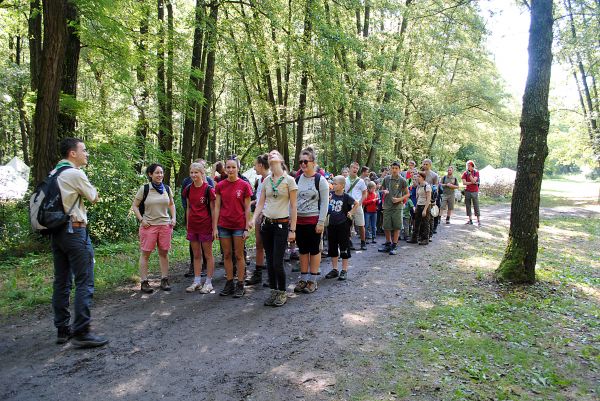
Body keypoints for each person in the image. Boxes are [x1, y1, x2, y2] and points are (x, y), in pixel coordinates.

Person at [50, 137, 108, 348]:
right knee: (84, 281)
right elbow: (93, 196)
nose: (87, 154)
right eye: (84, 150)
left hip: (57, 233)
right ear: (72, 153)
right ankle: (82, 331)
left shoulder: (53, 173)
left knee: (62, 281)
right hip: (75, 231)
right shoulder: (74, 173)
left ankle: (62, 329)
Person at [252, 150, 298, 306]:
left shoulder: (289, 180)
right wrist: (253, 219)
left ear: (280, 159)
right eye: (269, 154)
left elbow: (293, 206)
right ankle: (273, 291)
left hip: (281, 225)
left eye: (274, 153)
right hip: (267, 225)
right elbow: (260, 203)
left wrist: (292, 230)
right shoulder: (266, 181)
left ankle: (282, 292)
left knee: (278, 261)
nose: (271, 155)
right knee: (270, 260)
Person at [132, 163, 176, 293]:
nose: (160, 175)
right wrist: (141, 219)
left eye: (161, 172)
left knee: (164, 252)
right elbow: (135, 205)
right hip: (149, 226)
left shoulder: (167, 188)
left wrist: (173, 218)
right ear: (150, 174)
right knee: (146, 254)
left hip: (165, 225)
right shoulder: (145, 189)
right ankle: (144, 282)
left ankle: (164, 279)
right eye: (157, 173)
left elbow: (171, 204)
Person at [214, 156, 253, 297]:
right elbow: (217, 207)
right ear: (225, 168)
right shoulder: (220, 185)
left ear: (238, 168)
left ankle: (240, 283)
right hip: (223, 225)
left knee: (239, 255)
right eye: (228, 167)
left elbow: (247, 208)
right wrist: (214, 228)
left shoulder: (244, 185)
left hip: (239, 225)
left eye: (233, 167)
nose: (230, 170)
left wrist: (246, 228)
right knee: (227, 255)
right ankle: (229, 282)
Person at [294, 147, 329, 294]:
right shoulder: (297, 179)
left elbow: (324, 203)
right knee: (302, 250)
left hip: (314, 221)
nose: (303, 164)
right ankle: (303, 278)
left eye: (305, 161)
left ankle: (312, 281)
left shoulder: (320, 180)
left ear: (313, 163)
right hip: (299, 221)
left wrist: (321, 222)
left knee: (314, 250)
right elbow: (293, 202)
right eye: (301, 161)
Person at [183, 162, 216, 294]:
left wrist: (214, 228)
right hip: (193, 226)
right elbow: (189, 208)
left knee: (208, 254)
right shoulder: (188, 189)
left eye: (196, 172)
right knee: (196, 255)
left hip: (206, 225)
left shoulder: (208, 189)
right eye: (192, 172)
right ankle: (197, 281)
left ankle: (208, 282)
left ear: (202, 173)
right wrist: (187, 224)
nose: (193, 175)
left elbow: (213, 210)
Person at [324, 176, 359, 280]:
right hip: (331, 225)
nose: (333, 185)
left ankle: (344, 270)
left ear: (342, 185)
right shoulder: (331, 195)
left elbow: (356, 203)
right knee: (333, 246)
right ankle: (335, 269)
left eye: (335, 184)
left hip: (343, 225)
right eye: (333, 183)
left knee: (344, 247)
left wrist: (351, 212)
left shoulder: (346, 197)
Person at [246, 154, 270, 286]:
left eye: (255, 165)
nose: (254, 168)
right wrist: (252, 202)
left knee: (270, 247)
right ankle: (258, 274)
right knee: (259, 244)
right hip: (259, 216)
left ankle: (272, 276)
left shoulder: (273, 178)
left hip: (269, 217)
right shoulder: (260, 180)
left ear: (261, 165)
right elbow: (261, 197)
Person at [378, 161, 409, 255]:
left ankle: (394, 245)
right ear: (390, 169)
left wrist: (399, 199)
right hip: (387, 206)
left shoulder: (402, 180)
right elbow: (381, 189)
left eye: (396, 168)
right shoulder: (386, 178)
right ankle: (388, 244)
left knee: (397, 226)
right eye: (393, 168)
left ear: (399, 169)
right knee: (386, 226)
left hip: (397, 207)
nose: (394, 170)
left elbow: (407, 194)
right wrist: (384, 191)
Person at [345, 161, 368, 250]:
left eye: (356, 168)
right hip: (347, 205)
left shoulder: (361, 181)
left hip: (357, 205)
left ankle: (363, 242)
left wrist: (360, 203)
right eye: (353, 168)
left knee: (361, 224)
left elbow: (365, 193)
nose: (355, 170)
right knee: (348, 224)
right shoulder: (345, 180)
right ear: (350, 169)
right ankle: (349, 242)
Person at [407, 171, 431, 245]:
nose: (417, 178)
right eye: (417, 176)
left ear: (423, 178)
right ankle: (414, 238)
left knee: (425, 223)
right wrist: (416, 207)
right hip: (419, 205)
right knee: (416, 222)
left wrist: (425, 210)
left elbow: (428, 199)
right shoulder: (419, 186)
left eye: (419, 176)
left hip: (425, 206)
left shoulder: (427, 186)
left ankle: (425, 239)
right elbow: (418, 197)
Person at [421, 159, 439, 235]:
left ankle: (430, 234)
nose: (425, 165)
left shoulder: (434, 175)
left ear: (430, 165)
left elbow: (436, 187)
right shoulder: (421, 174)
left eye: (426, 164)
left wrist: (433, 199)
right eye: (424, 164)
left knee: (430, 216)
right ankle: (422, 233)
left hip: (431, 197)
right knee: (422, 215)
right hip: (422, 197)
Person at [462, 160, 481, 226]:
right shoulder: (465, 173)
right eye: (467, 165)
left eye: (469, 166)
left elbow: (474, 180)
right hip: (467, 191)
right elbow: (464, 183)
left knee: (476, 206)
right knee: (468, 206)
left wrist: (470, 175)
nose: (468, 167)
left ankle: (478, 221)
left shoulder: (476, 172)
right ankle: (470, 220)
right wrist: (472, 183)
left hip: (475, 191)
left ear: (472, 166)